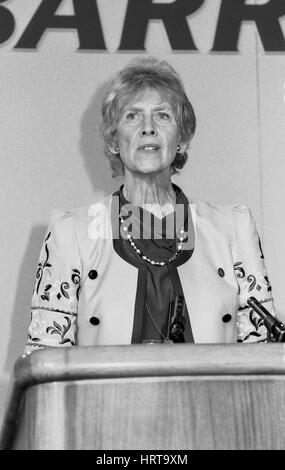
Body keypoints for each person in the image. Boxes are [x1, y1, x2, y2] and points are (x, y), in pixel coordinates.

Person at [24, 56, 275, 353]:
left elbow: (263, 354)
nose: (148, 128)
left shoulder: (232, 229)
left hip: (211, 399)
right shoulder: (72, 234)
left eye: (162, 116)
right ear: (114, 141)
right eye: (132, 116)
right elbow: (44, 358)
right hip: (107, 400)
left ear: (181, 138)